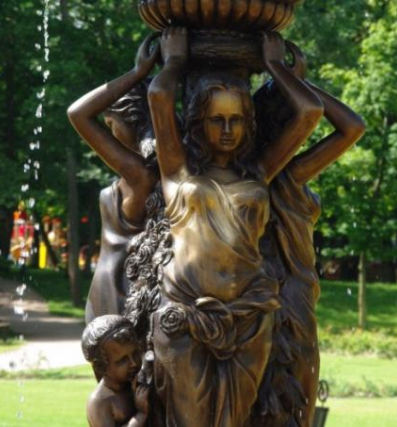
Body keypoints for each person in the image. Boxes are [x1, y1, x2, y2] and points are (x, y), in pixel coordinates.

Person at [145, 27, 324, 427]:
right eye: (216, 120)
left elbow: (310, 113)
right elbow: (159, 97)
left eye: (237, 120)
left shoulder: (258, 173)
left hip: (250, 315)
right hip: (187, 313)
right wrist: (173, 61)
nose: (227, 130)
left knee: (236, 420)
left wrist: (276, 67)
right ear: (199, 123)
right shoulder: (177, 173)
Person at [252, 42, 366, 426]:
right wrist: (289, 76)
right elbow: (351, 126)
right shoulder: (285, 176)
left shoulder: (279, 174)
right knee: (295, 401)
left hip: (289, 290)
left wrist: (288, 78)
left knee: (287, 399)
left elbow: (347, 125)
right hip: (288, 292)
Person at [67, 34, 162, 324]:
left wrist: (139, 72)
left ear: (134, 121)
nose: (107, 130)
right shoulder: (142, 174)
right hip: (119, 286)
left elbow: (78, 114)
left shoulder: (140, 175)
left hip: (118, 289)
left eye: (111, 123)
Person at [81, 315, 149, 427]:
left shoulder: (137, 384)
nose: (133, 363)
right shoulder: (99, 402)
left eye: (135, 353)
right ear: (100, 366)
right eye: (122, 360)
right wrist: (141, 414)